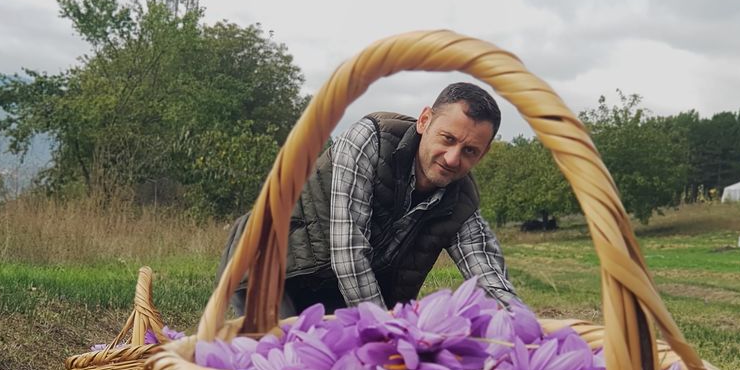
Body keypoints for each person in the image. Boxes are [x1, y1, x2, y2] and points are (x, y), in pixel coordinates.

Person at [220, 82, 523, 316]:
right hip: (272, 267)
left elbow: (490, 278)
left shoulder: (461, 201)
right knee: (283, 363)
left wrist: (532, 333)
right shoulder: (370, 140)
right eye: (448, 139)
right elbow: (349, 253)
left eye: (470, 151)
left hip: (336, 292)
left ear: (484, 154)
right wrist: (389, 333)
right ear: (425, 121)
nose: (453, 158)